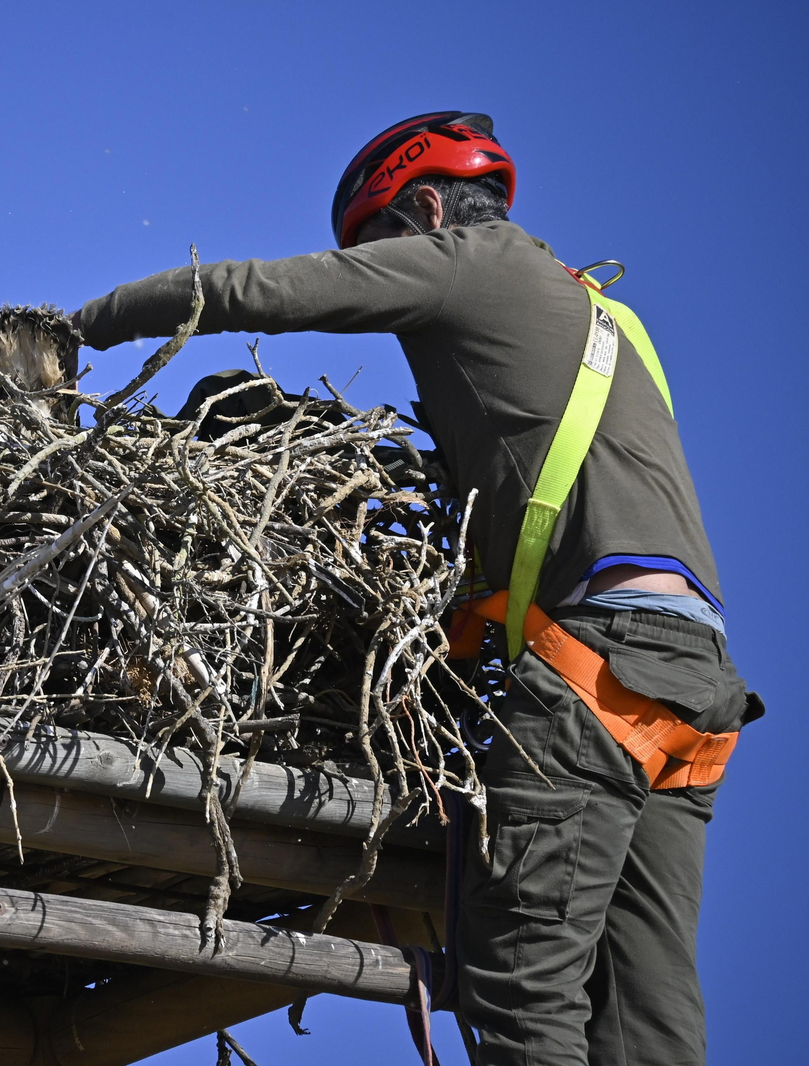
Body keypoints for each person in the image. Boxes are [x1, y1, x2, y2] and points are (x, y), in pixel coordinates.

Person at [71, 111, 761, 1066]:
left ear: (427, 208)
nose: (373, 273)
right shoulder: (603, 319)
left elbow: (250, 292)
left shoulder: (471, 259)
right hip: (694, 691)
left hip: (600, 673)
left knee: (520, 986)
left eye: (375, 249)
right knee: (649, 1018)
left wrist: (79, 327)